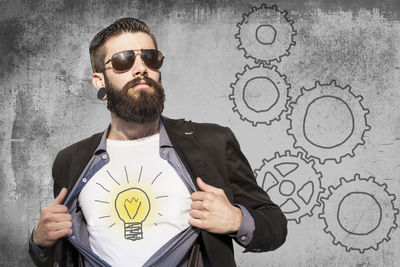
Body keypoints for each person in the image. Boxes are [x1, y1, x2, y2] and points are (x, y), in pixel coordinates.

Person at [29, 17, 287, 267]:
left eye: (150, 58)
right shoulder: (71, 160)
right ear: (100, 81)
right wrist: (39, 242)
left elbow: (274, 225)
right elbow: (61, 251)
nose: (141, 68)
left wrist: (236, 220)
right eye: (123, 61)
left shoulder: (212, 143)